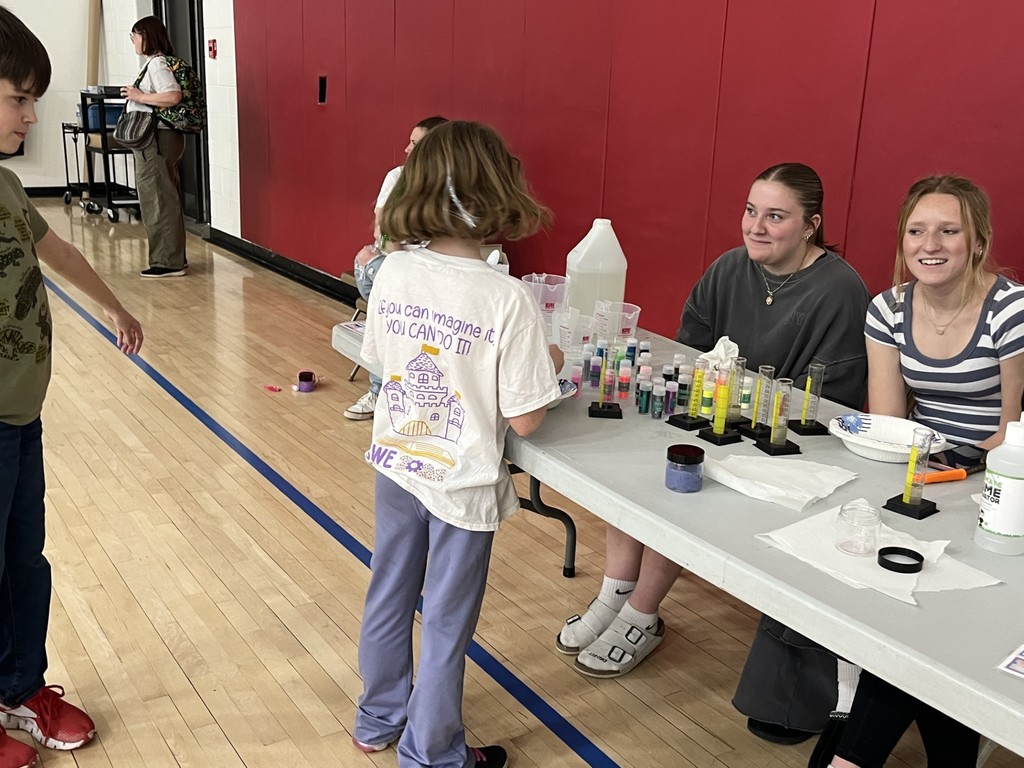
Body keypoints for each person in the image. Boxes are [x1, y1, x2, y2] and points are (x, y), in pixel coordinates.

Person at [556, 164, 870, 723]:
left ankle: (642, 614)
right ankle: (615, 591)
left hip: (784, 440)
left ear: (811, 226)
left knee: (683, 478)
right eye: (751, 211)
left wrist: (739, 407)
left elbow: (827, 405)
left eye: (776, 216)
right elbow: (689, 352)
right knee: (632, 460)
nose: (757, 226)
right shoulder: (729, 268)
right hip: (713, 414)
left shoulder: (839, 289)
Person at [353, 120, 563, 768]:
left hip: (398, 465)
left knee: (388, 590)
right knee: (445, 621)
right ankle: (434, 752)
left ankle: (377, 718)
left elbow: (385, 364)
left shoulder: (391, 271)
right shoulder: (508, 298)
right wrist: (548, 362)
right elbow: (525, 420)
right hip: (462, 483)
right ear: (498, 192)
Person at [815, 175, 1024, 768]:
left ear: (977, 240)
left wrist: (953, 462)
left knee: (928, 613)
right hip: (931, 474)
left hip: (999, 486)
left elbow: (1015, 439)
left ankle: (851, 755)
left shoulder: (1011, 310)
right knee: (912, 608)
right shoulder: (887, 309)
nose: (930, 244)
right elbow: (889, 425)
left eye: (949, 230)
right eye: (917, 230)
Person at [0, 8, 145, 768]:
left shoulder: (5, 190)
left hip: (22, 417)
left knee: (26, 560)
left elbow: (56, 251)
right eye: (18, 98)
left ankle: (22, 688)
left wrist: (115, 303)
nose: (31, 114)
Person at [345, 115, 448, 420]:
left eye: (414, 144)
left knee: (390, 309)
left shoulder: (451, 187)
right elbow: (384, 233)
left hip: (427, 271)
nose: (406, 149)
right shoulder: (397, 178)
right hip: (389, 261)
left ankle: (387, 392)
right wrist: (402, 264)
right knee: (385, 283)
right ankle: (383, 391)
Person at [120, 16, 187, 278]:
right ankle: (173, 258)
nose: (133, 41)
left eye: (134, 35)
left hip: (155, 141)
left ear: (145, 36)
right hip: (161, 139)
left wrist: (138, 96)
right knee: (165, 196)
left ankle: (167, 262)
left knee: (157, 199)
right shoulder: (156, 63)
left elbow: (172, 95)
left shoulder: (158, 64)